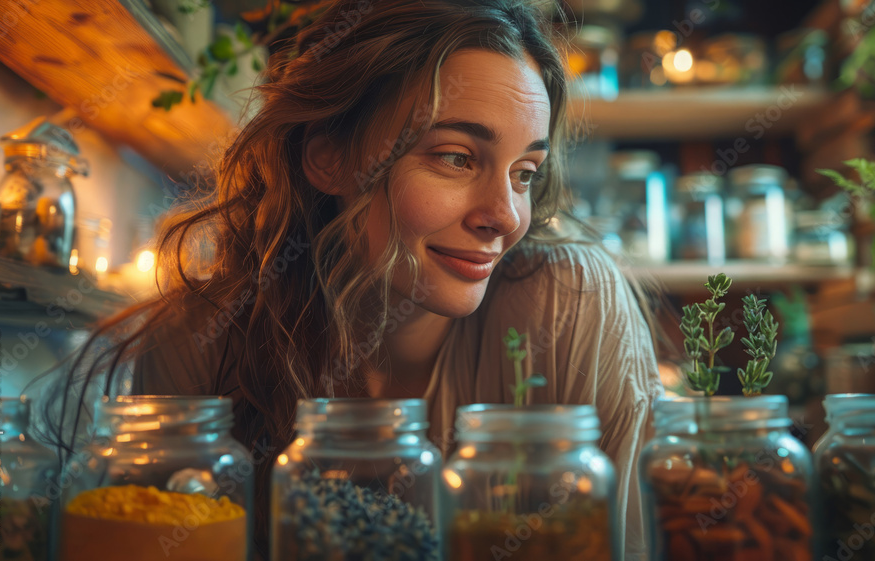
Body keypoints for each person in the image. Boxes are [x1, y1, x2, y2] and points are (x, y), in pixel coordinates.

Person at [51, 1, 663, 559]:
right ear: (329, 157)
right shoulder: (200, 338)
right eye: (456, 157)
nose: (505, 216)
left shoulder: (569, 306)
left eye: (525, 172)